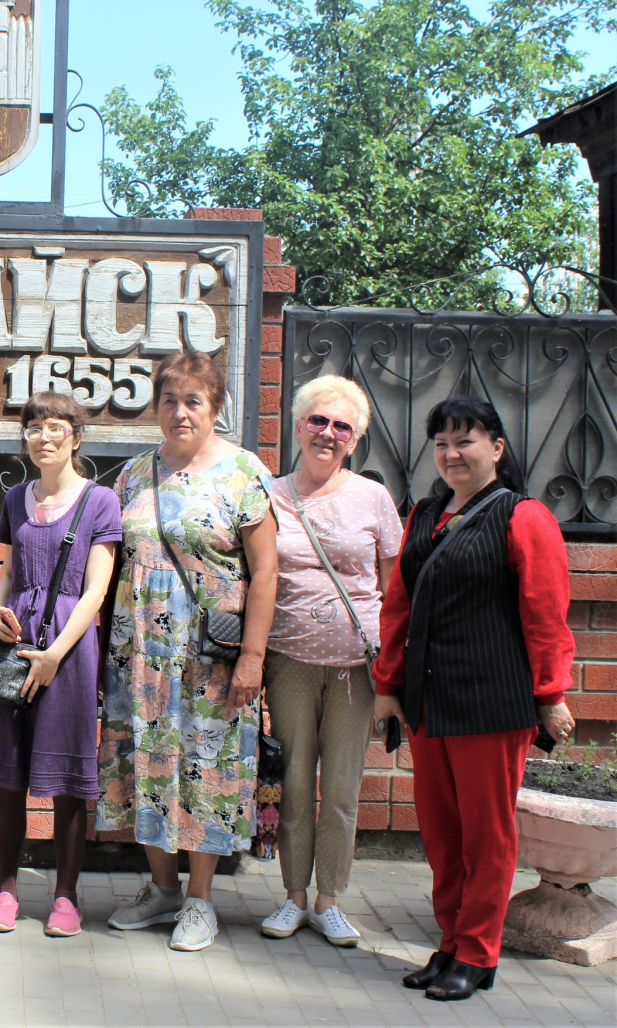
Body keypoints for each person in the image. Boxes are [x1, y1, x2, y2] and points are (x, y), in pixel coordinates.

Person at [374, 397, 575, 1001]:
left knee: (487, 836)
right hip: (429, 702)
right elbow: (397, 607)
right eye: (441, 443)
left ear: (496, 448)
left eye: (465, 441)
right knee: (441, 833)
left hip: (493, 701)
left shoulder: (524, 516)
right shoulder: (426, 514)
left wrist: (551, 693)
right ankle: (451, 943)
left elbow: (545, 612)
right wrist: (388, 686)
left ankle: (479, 954)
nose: (451, 453)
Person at [98, 349, 279, 953]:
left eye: (193, 401)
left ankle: (202, 900)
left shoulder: (243, 473)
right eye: (169, 400)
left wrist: (254, 655)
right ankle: (162, 888)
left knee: (207, 769)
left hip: (210, 658)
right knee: (142, 762)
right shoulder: (131, 475)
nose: (180, 412)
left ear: (216, 407)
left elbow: (267, 569)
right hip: (140, 654)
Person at [258, 376, 402, 948]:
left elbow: (394, 594)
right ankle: (293, 898)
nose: (328, 433)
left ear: (355, 440)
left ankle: (330, 901)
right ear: (298, 425)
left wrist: (393, 673)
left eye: (342, 426)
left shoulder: (371, 497)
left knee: (341, 788)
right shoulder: (269, 493)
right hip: (288, 662)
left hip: (355, 670)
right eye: (318, 420)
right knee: (293, 781)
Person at [0, 392, 121, 938]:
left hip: (70, 650)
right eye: (34, 428)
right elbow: (9, 571)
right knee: (8, 775)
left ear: (76, 439)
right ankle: (6, 890)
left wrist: (56, 654)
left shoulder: (99, 501)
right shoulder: (16, 498)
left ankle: (66, 896)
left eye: (55, 427)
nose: (43, 437)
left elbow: (96, 590)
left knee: (69, 778)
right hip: (15, 643)